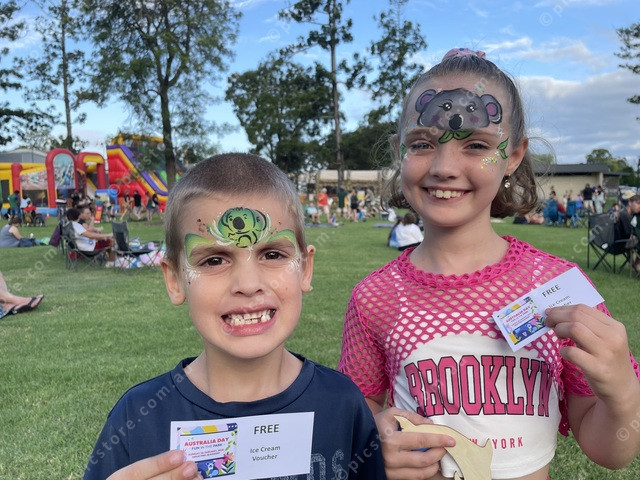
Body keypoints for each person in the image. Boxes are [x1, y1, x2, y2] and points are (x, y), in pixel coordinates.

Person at [338, 48, 640, 480]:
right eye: (421, 144)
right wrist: (373, 439)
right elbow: (359, 410)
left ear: (513, 156)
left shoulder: (558, 286)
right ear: (398, 150)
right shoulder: (375, 297)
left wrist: (623, 394)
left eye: (476, 145)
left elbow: (610, 451)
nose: (444, 167)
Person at [83, 153, 384, 480]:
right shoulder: (137, 418)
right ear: (175, 280)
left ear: (305, 268)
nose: (248, 284)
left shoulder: (343, 404)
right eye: (214, 260)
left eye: (272, 254)